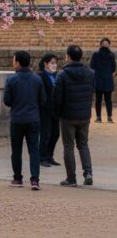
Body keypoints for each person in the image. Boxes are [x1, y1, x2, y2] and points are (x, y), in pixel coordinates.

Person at [3, 49, 45, 190]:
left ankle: (17, 178)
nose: (13, 63)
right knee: (34, 150)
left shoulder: (11, 79)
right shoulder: (37, 79)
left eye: (14, 60)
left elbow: (7, 101)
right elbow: (43, 100)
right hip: (33, 118)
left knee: (16, 150)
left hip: (17, 118)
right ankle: (35, 179)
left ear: (18, 62)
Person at [54, 44, 95, 187]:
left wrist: (57, 113)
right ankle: (88, 173)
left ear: (68, 56)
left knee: (68, 146)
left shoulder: (63, 74)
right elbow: (91, 92)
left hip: (68, 115)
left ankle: (71, 177)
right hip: (84, 114)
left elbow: (57, 97)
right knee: (83, 144)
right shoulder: (90, 73)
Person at [38, 53, 60, 167]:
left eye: (55, 63)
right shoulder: (41, 76)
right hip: (44, 110)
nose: (54, 65)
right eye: (52, 63)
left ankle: (49, 155)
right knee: (45, 134)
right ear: (45, 64)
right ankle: (42, 157)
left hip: (55, 110)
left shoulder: (56, 76)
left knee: (55, 133)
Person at [89, 38, 115, 123]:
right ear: (100, 44)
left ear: (109, 44)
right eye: (104, 43)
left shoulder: (111, 55)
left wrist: (110, 74)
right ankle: (98, 117)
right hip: (98, 79)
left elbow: (113, 67)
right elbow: (92, 66)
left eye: (107, 43)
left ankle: (109, 117)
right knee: (98, 99)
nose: (105, 44)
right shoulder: (95, 54)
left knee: (108, 100)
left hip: (108, 80)